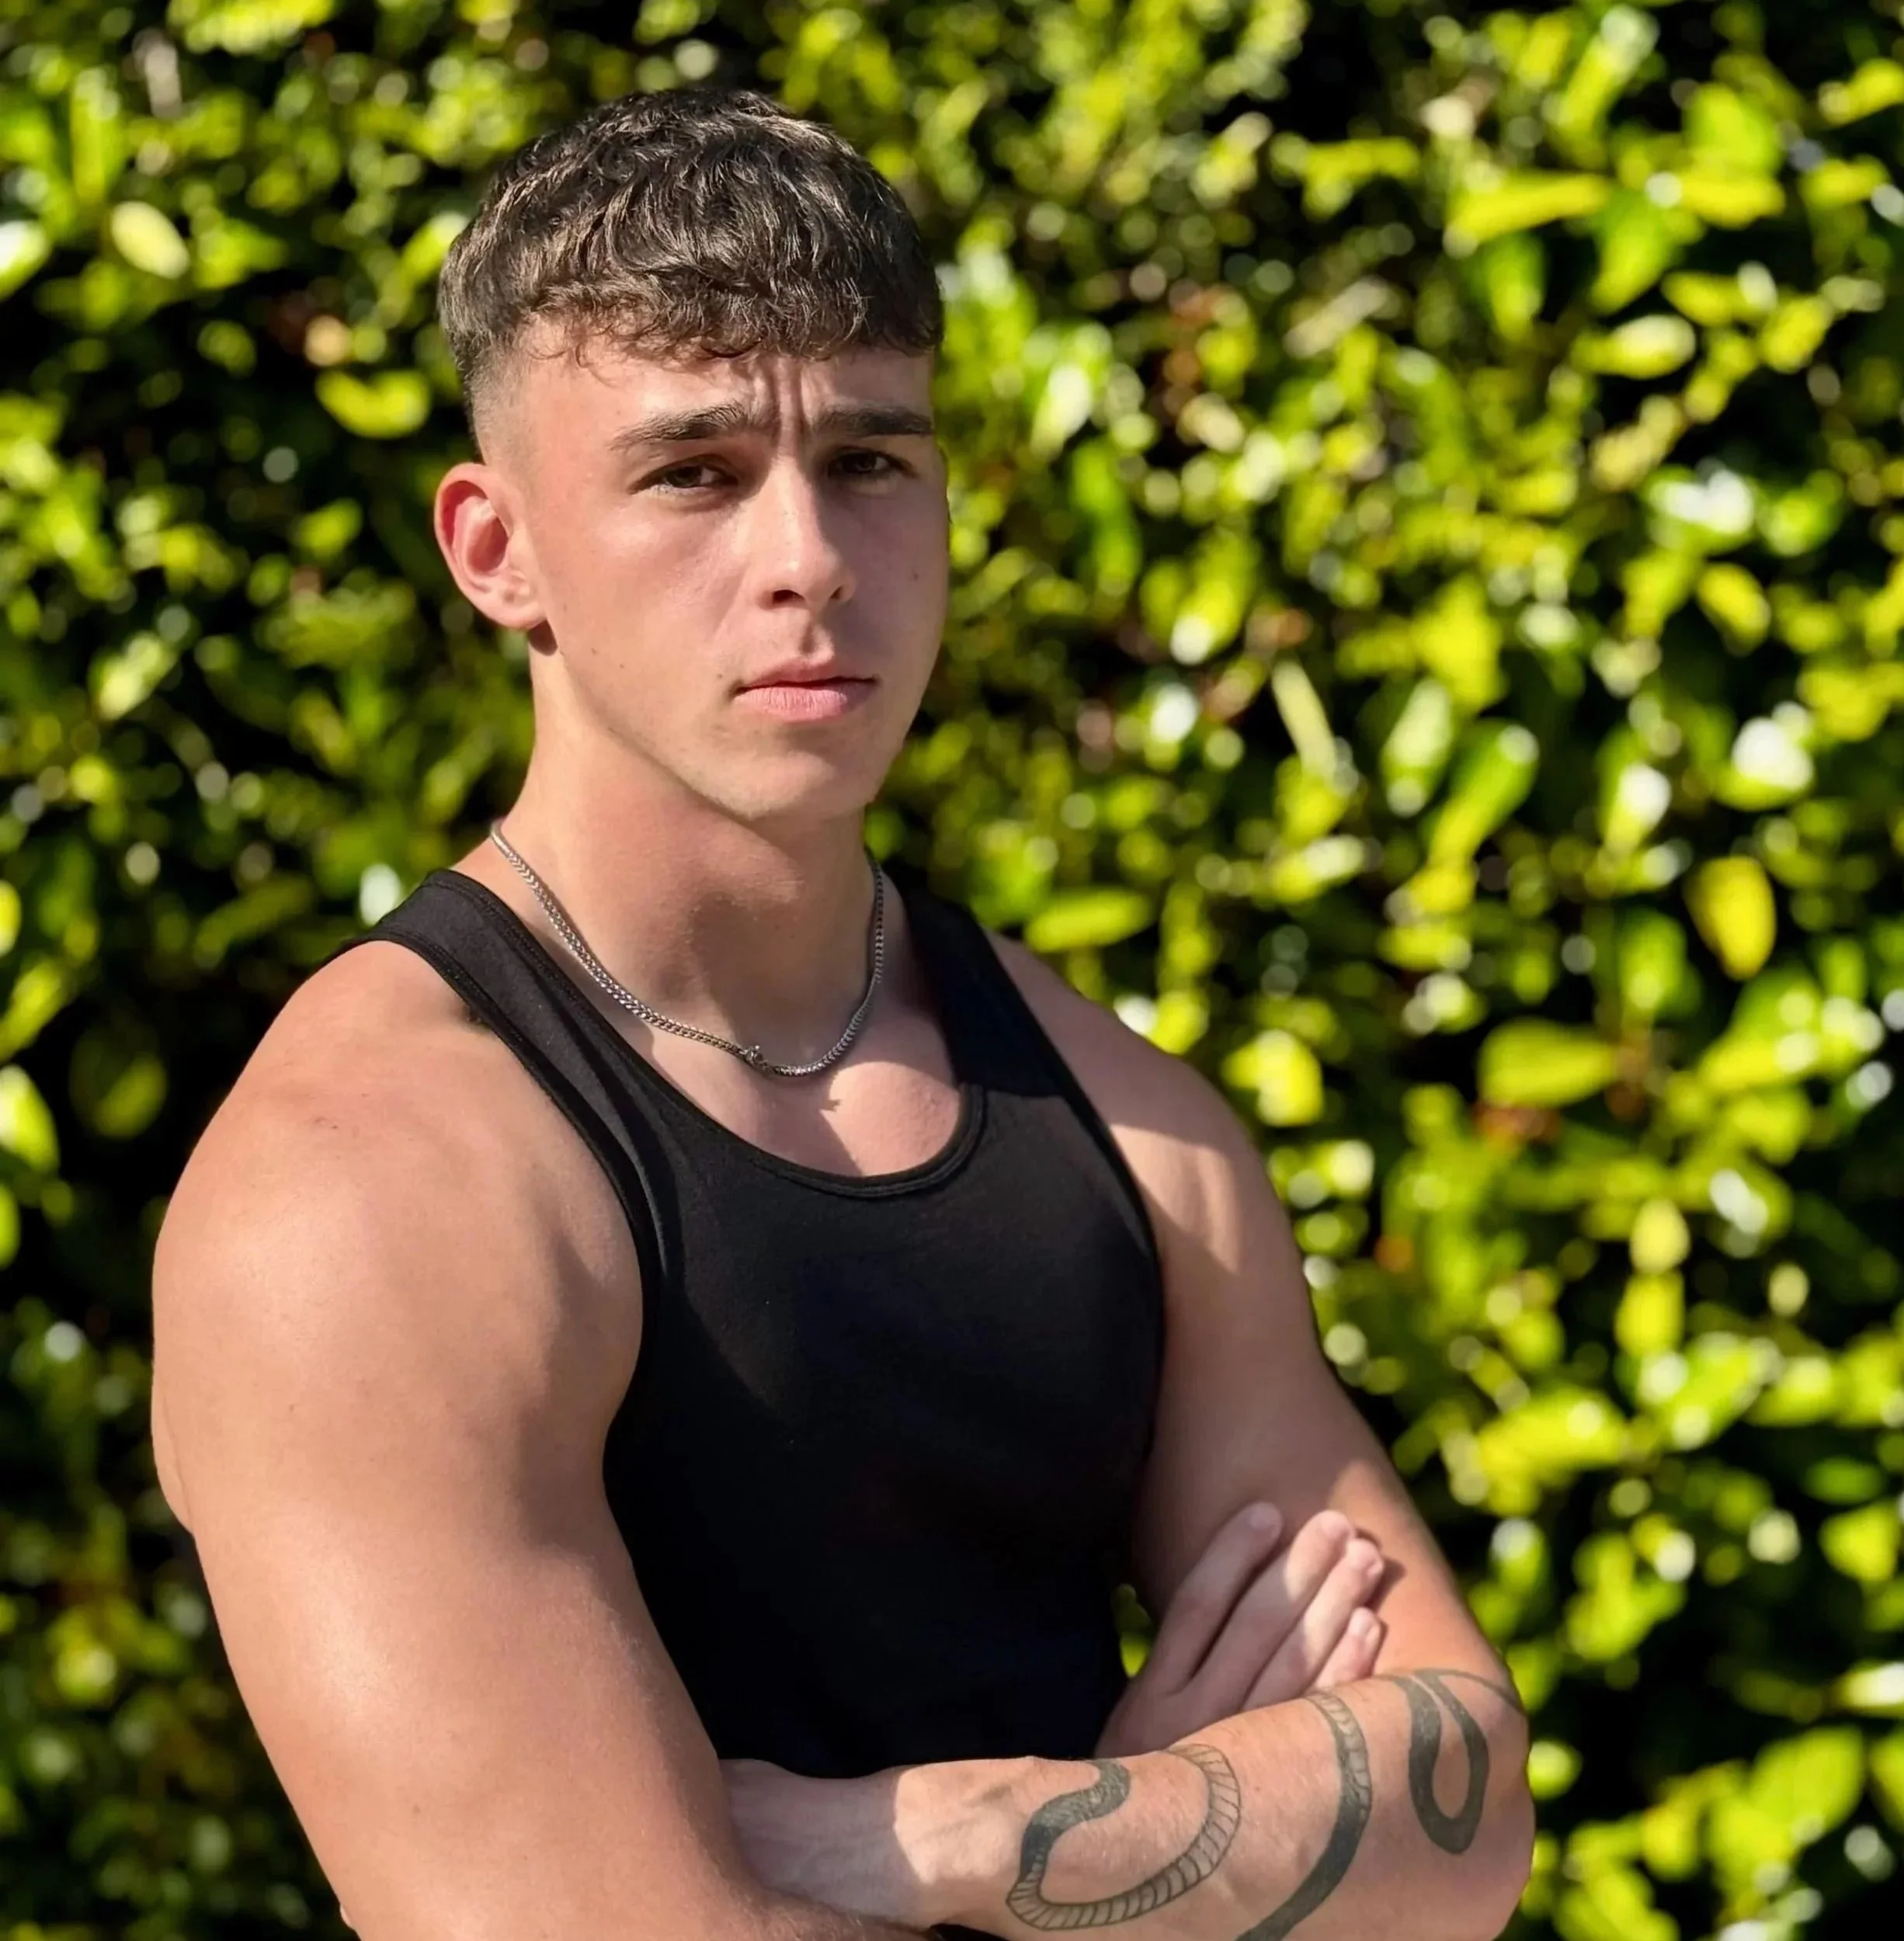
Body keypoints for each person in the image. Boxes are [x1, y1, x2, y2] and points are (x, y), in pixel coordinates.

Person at [150, 86, 1532, 1941]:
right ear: (497, 552)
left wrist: (966, 1835)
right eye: (691, 473)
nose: (805, 555)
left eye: (871, 459)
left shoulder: (1121, 1124)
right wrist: (1181, 1844)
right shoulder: (369, 1189)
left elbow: (1459, 1821)